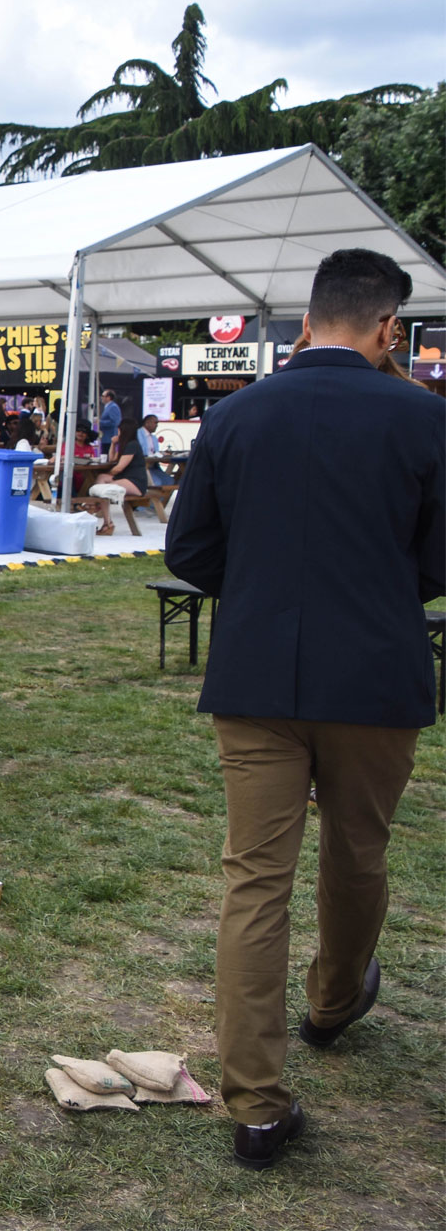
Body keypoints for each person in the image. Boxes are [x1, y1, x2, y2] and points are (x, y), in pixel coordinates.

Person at [165, 247, 445, 1171]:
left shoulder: (236, 414)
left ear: (303, 321)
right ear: (387, 328)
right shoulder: (425, 416)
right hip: (375, 676)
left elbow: (189, 549)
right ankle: (331, 1002)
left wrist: (261, 590)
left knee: (255, 879)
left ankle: (255, 1103)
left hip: (256, 677)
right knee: (357, 854)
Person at [85, 425, 147, 536]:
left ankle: (102, 516)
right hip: (126, 478)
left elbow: (119, 468)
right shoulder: (125, 445)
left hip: (135, 482)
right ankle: (100, 511)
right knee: (101, 478)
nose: (117, 433)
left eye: (118, 431)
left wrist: (110, 474)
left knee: (104, 488)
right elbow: (112, 459)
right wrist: (113, 444)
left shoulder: (132, 445)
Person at [138, 414, 174, 486]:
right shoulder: (137, 434)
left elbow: (155, 452)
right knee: (157, 483)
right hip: (142, 467)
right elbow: (142, 452)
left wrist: (162, 454)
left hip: (153, 466)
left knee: (170, 481)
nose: (157, 425)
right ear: (147, 423)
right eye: (155, 423)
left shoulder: (154, 438)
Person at [98, 388, 122, 457]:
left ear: (108, 397)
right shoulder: (108, 407)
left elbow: (115, 422)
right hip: (105, 438)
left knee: (107, 456)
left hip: (110, 438)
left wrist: (100, 422)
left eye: (103, 396)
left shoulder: (113, 407)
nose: (101, 398)